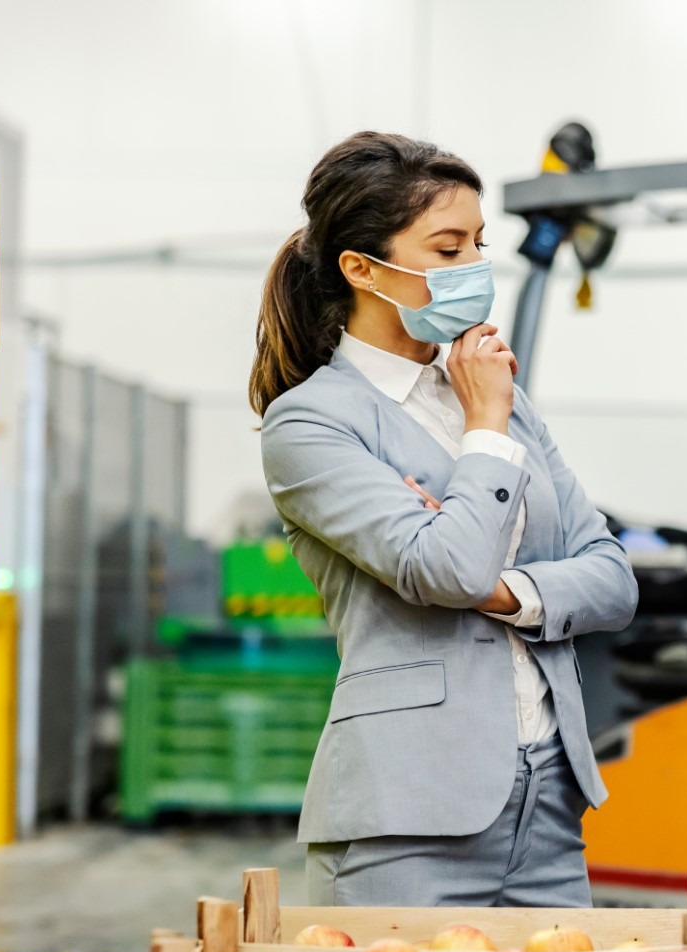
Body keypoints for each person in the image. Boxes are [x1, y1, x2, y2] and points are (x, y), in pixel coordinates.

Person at [252, 132, 637, 907]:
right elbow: (447, 568)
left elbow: (611, 578)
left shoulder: (496, 394)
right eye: (447, 247)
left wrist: (504, 591)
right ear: (361, 269)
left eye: (478, 245)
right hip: (408, 810)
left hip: (550, 802)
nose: (474, 269)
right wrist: (486, 428)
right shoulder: (313, 425)